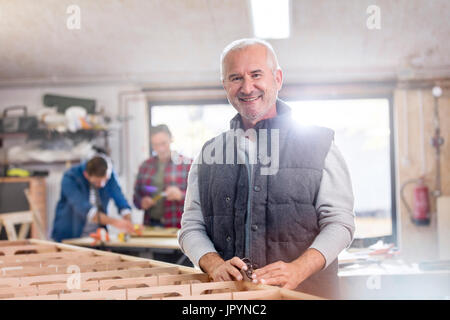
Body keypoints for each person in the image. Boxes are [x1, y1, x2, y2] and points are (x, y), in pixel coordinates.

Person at [178, 39, 355, 299]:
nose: (247, 87)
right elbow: (191, 226)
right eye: (236, 77)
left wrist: (298, 269)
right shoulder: (208, 154)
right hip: (230, 299)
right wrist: (213, 264)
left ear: (278, 78)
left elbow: (340, 223)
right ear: (225, 85)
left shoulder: (320, 145)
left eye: (256, 74)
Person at [52, 155, 136, 242]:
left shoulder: (108, 175)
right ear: (86, 175)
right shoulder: (70, 178)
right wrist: (116, 222)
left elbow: (119, 198)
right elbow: (87, 211)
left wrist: (128, 220)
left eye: (105, 180)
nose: (102, 185)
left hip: (96, 237)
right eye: (97, 182)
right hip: (71, 235)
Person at [133, 124, 192, 228]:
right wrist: (141, 202)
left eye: (163, 143)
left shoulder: (187, 164)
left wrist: (181, 195)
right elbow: (136, 196)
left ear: (171, 139)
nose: (160, 149)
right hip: (150, 225)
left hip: (177, 225)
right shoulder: (145, 166)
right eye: (155, 145)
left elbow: (200, 197)